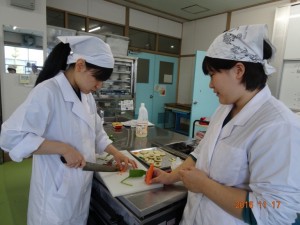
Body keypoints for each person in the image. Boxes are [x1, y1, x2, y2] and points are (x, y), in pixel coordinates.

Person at [151, 24, 300, 225]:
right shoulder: (224, 109)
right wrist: (171, 177)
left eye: (213, 74)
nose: (210, 84)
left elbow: (272, 210)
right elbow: (199, 154)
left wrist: (204, 186)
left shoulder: (279, 126)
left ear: (239, 70)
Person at [0, 36, 137, 225]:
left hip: (79, 187)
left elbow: (96, 132)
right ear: (80, 65)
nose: (99, 86)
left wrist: (116, 153)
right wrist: (63, 148)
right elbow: (10, 137)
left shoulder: (86, 96)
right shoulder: (47, 91)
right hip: (54, 192)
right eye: (97, 78)